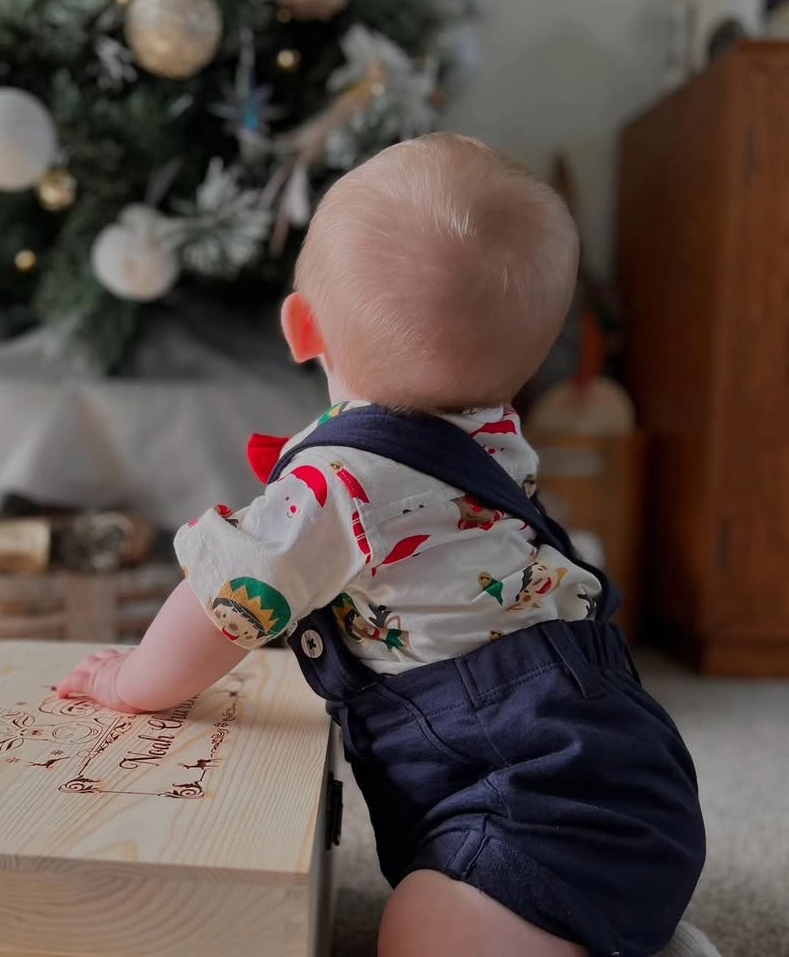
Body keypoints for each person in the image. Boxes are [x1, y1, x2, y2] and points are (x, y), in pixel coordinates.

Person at [57, 135, 708, 957]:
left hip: (523, 800)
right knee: (510, 901)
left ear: (301, 327)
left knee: (422, 932)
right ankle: (609, 928)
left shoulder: (339, 486)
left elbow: (229, 597)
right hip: (628, 772)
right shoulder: (495, 441)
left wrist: (131, 681)